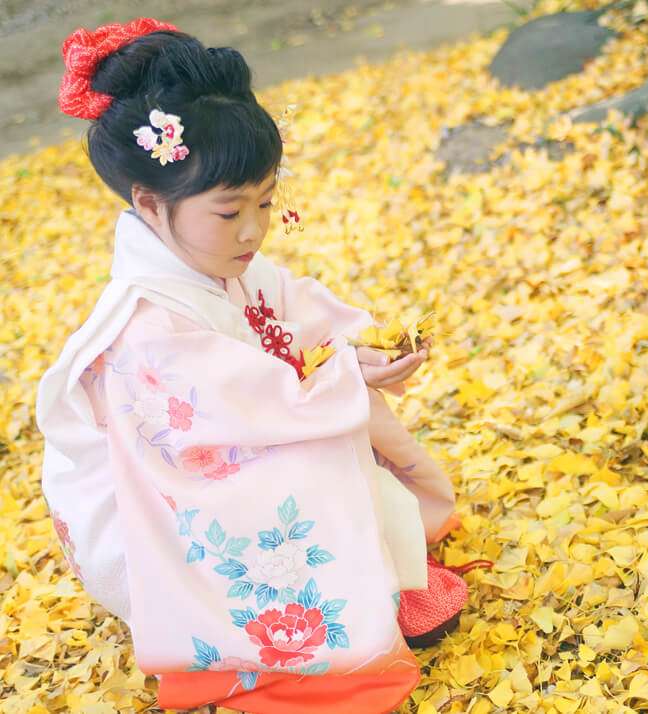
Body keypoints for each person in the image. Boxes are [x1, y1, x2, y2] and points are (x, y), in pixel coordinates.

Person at [35, 18, 489, 713]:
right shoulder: (146, 322)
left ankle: (377, 571)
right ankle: (321, 618)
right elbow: (227, 411)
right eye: (229, 211)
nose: (253, 229)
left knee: (326, 425)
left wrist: (356, 345)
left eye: (267, 203)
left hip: (228, 452)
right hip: (166, 506)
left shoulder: (214, 259)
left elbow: (290, 311)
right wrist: (340, 380)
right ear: (150, 205)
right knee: (310, 449)